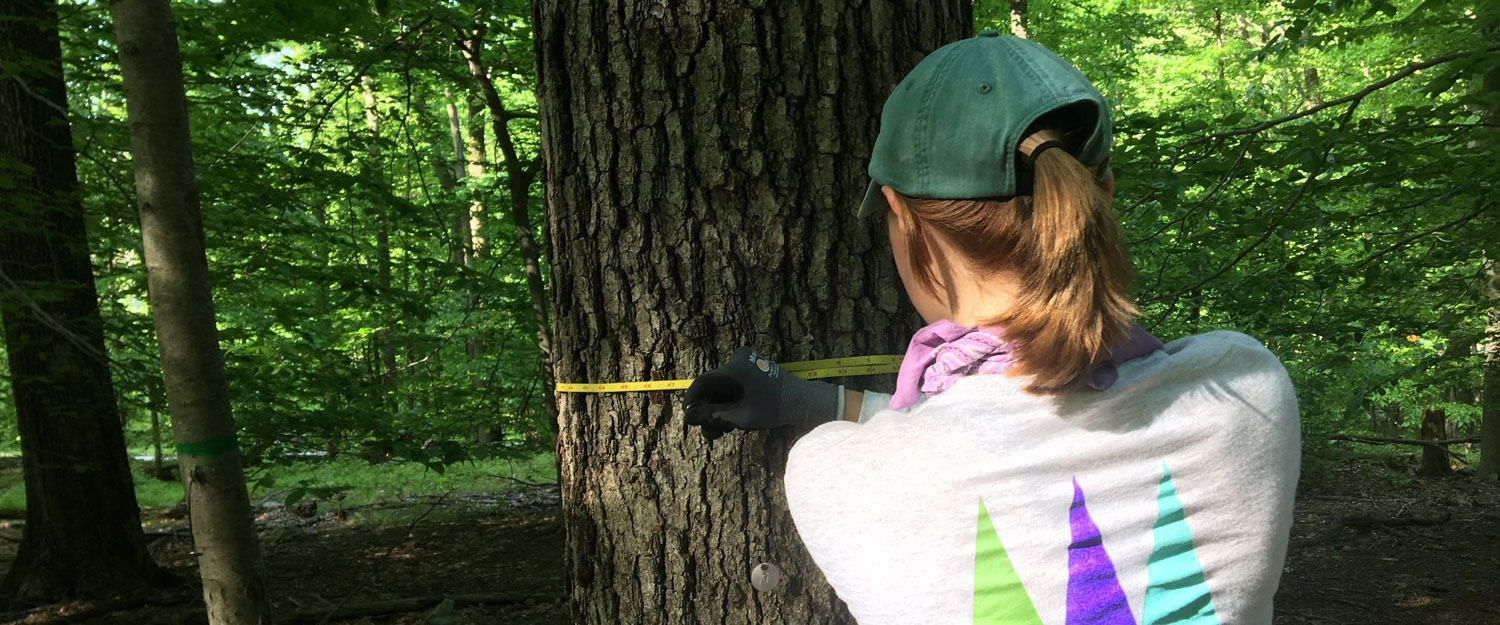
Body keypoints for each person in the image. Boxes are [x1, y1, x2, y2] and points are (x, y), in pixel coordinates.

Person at [684, 30, 1300, 625]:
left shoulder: (829, 474)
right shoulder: (1245, 389)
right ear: (1102, 196)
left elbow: (977, 439)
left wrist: (815, 412)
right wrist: (823, 400)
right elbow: (1022, 427)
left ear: (902, 215)